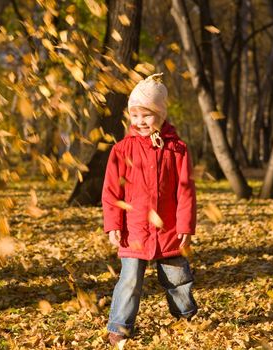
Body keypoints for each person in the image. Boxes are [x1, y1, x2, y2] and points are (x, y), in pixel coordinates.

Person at [102, 73, 197, 345]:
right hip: (134, 230)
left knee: (178, 278)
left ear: (161, 114)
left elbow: (185, 191)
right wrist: (113, 225)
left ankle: (186, 316)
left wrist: (185, 227)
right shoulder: (122, 150)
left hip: (168, 230)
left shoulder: (177, 149)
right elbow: (111, 192)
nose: (140, 122)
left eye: (147, 115)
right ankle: (120, 326)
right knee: (129, 280)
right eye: (134, 115)